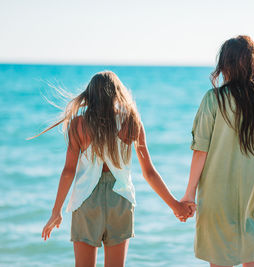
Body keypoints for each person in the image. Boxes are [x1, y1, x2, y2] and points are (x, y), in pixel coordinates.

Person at [32, 71, 195, 267]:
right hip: (120, 199)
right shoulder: (131, 122)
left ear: (89, 95)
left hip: (86, 200)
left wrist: (56, 211)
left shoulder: (79, 124)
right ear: (118, 95)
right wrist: (175, 205)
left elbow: (68, 171)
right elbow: (149, 172)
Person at [180, 36, 254, 267]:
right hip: (252, 200)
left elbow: (200, 151)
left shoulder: (213, 100)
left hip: (216, 199)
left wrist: (189, 195)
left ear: (226, 65)